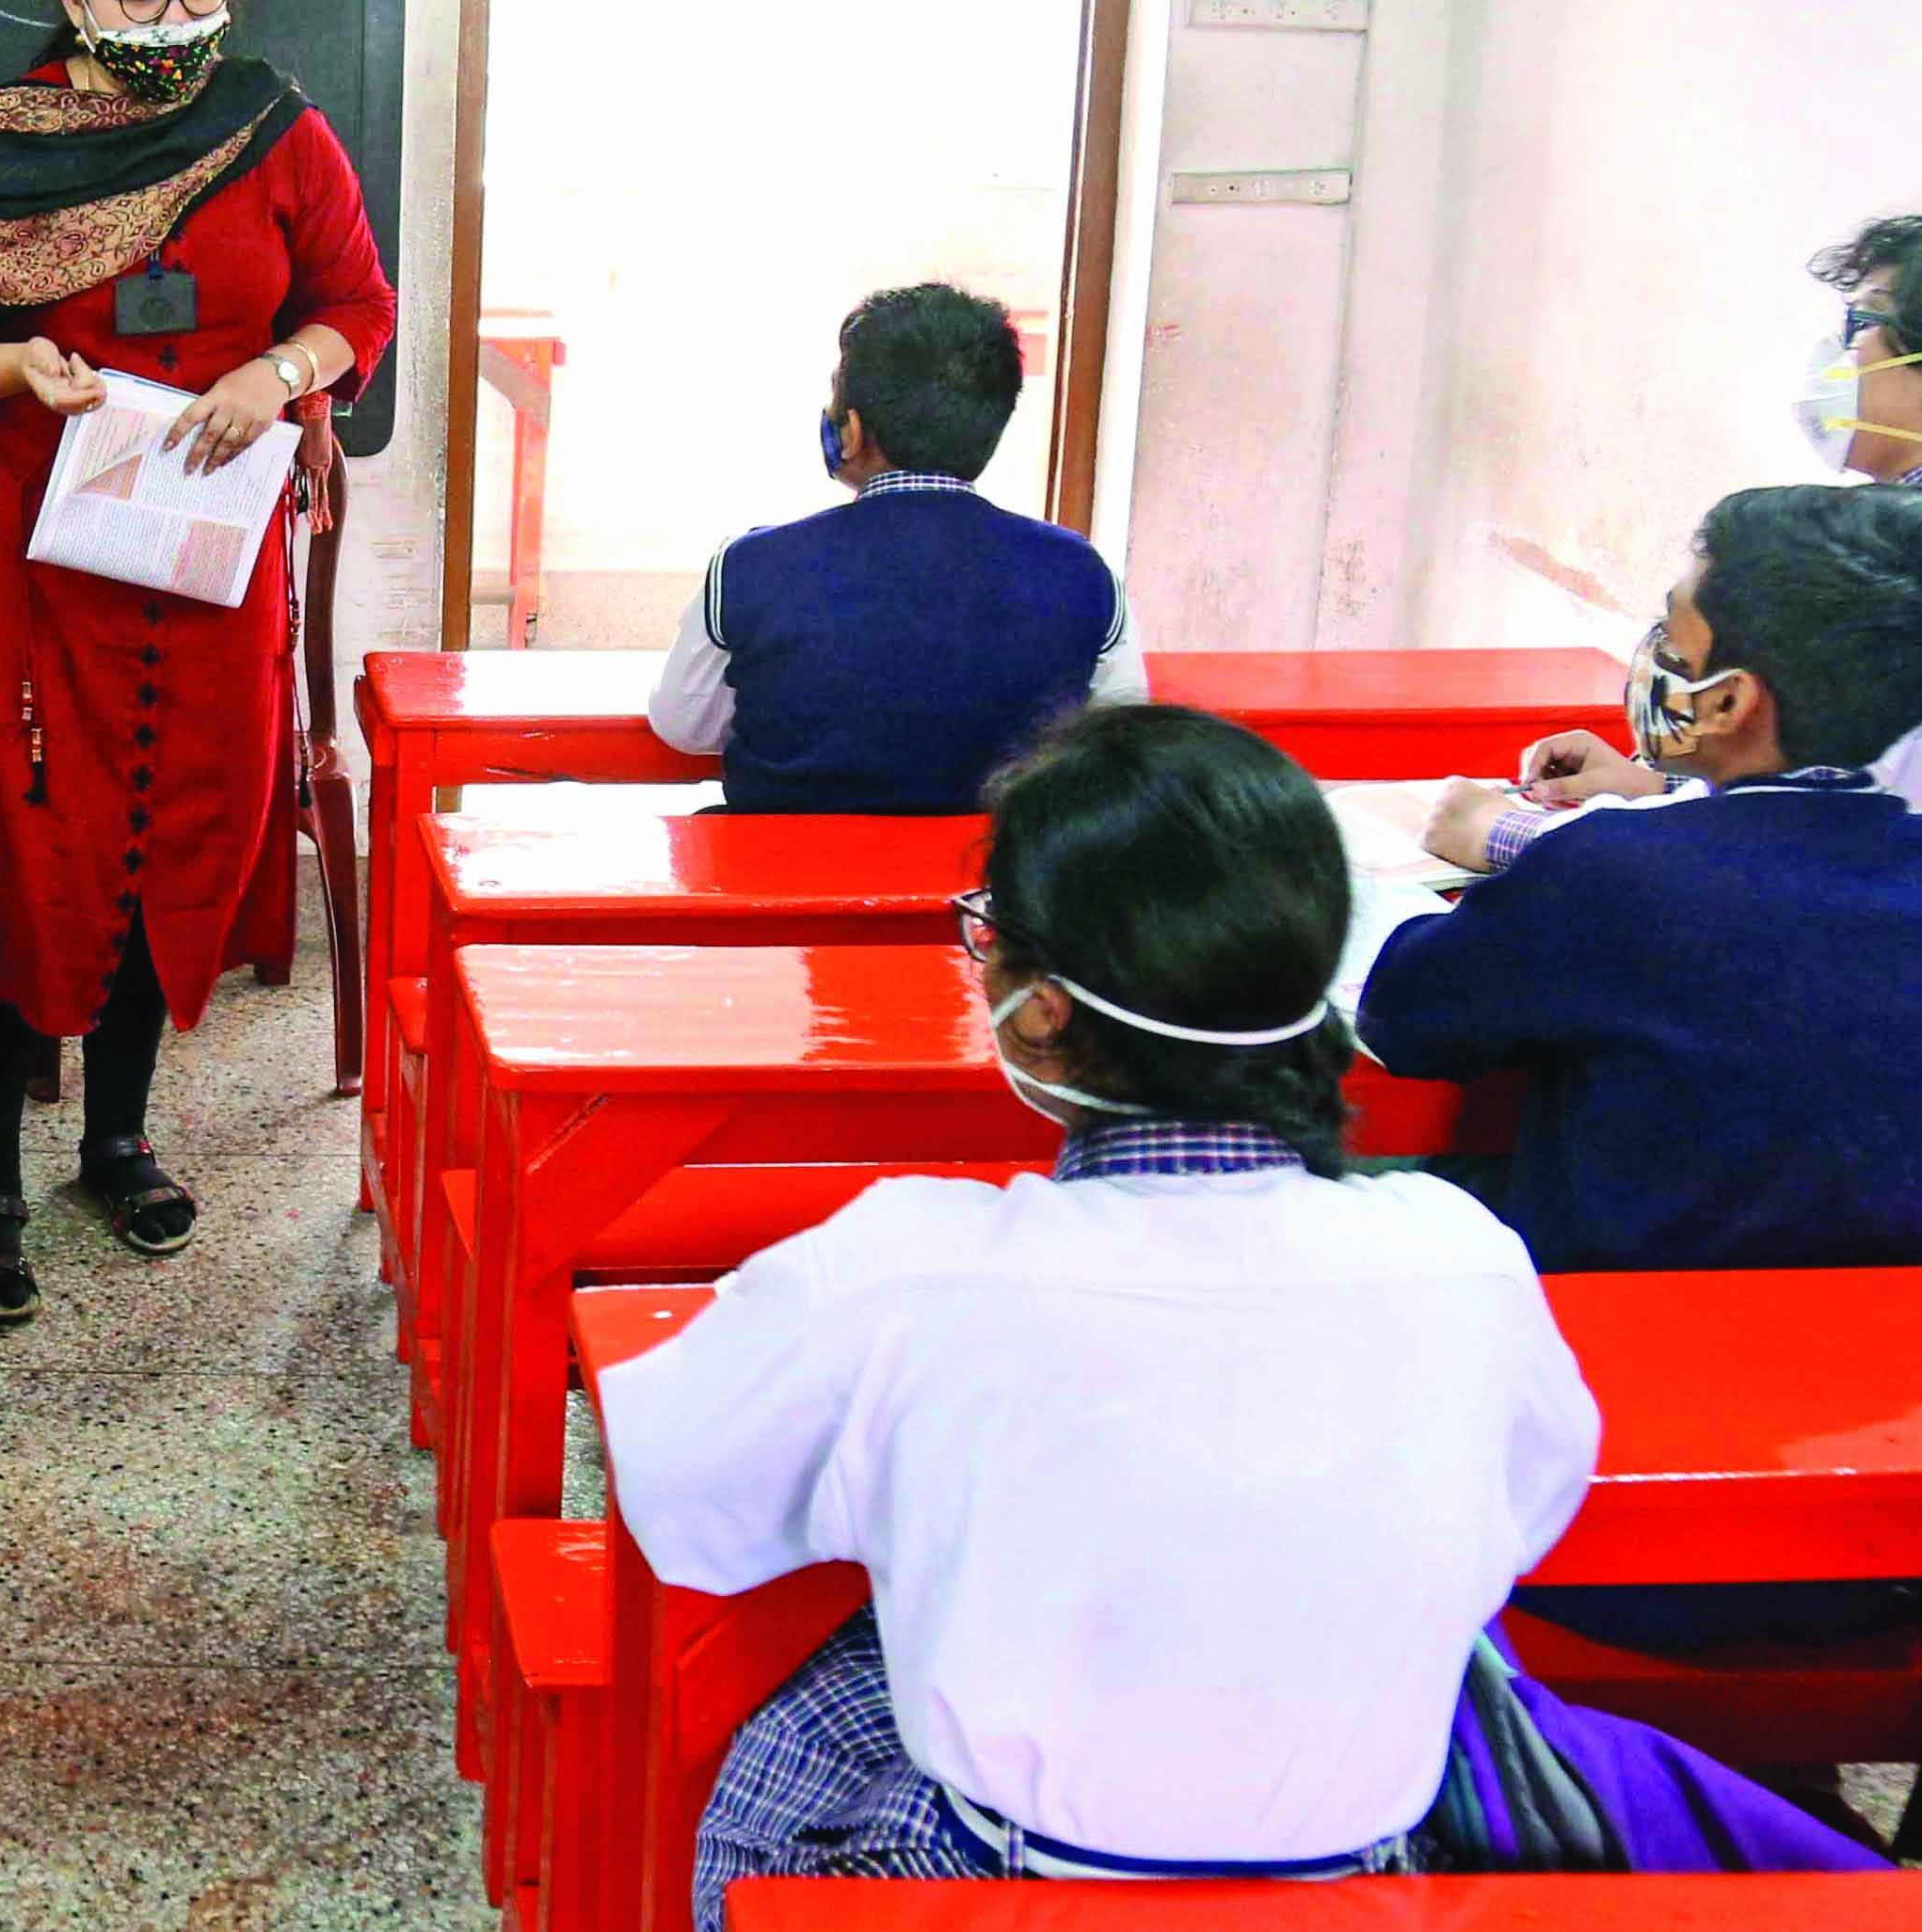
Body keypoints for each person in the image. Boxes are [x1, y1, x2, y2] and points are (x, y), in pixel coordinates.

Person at [600, 705, 1599, 1926]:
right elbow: (1527, 1508)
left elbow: (680, 1500)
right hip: (1360, 1884)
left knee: (808, 1719)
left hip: (1002, 1873)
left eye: (988, 942)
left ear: (1042, 1007)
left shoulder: (904, 1268)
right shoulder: (1459, 1257)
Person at [0, 0, 396, 1325]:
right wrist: (15, 364)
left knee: (179, 828)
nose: (173, 15)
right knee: (24, 839)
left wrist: (275, 371)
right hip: (28, 551)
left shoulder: (273, 127)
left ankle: (117, 1136)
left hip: (209, 552)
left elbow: (354, 305)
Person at [1362, 487, 1922, 1279]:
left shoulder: (1611, 872)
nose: (1654, 662)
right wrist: (1665, 800)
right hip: (1869, 1334)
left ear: (1732, 700)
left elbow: (1409, 1019)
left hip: (1615, 1326)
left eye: (1673, 641)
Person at [1458, 206, 1922, 928]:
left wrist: (1508, 835)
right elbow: (1843, 791)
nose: (1838, 357)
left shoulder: (1920, 569)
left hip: (1899, 962)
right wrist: (1653, 786)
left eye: (1862, 325)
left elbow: (1771, 857)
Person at [647, 283, 1143, 811]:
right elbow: (1121, 727)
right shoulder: (1082, 571)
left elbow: (683, 726)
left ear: (853, 430)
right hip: (997, 881)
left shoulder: (748, 567)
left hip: (788, 875)